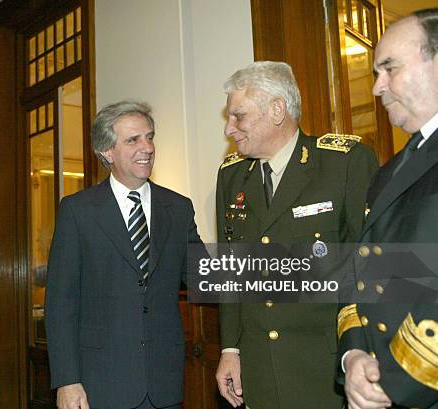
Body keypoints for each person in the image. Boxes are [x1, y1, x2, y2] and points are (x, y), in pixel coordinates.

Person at [215, 61, 378, 408]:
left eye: (238, 116)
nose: (230, 128)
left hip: (326, 367)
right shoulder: (232, 178)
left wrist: (363, 353)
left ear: (277, 110)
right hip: (258, 368)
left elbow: (367, 271)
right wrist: (230, 348)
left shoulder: (344, 163)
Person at [45, 100, 204, 409]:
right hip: (100, 384)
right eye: (133, 140)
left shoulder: (178, 208)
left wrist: (286, 268)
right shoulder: (78, 211)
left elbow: (205, 275)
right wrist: (67, 379)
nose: (147, 147)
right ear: (107, 151)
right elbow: (61, 303)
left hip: (164, 383)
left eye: (150, 136)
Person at [337, 9, 438, 409]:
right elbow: (363, 273)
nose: (377, 87)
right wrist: (355, 357)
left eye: (389, 68)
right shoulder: (389, 171)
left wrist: (389, 385)